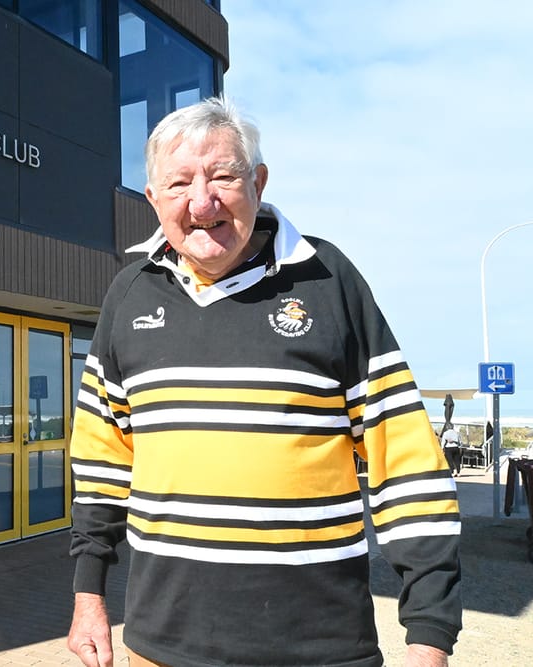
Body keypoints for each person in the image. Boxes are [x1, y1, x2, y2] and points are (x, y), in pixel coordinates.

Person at [66, 97, 462, 667]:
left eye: (222, 176)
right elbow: (101, 468)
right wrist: (89, 599)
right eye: (178, 184)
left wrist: (429, 633)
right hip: (162, 650)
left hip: (319, 650)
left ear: (258, 181)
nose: (201, 202)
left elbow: (406, 465)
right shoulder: (127, 296)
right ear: (153, 201)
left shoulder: (329, 281)